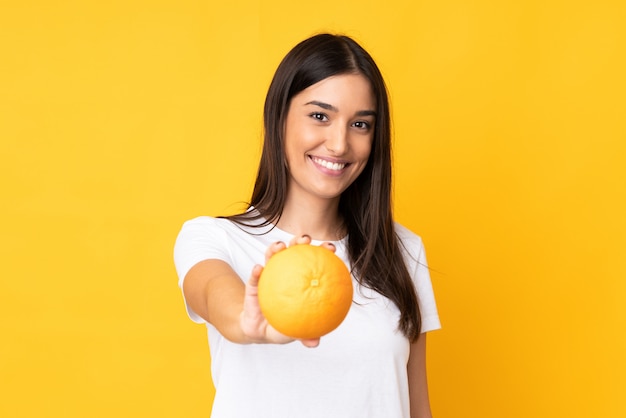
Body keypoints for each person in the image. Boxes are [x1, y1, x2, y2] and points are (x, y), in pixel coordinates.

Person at [174, 33, 441, 418]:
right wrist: (251, 322)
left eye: (361, 125)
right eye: (320, 116)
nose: (338, 144)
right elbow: (217, 295)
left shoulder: (402, 249)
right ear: (278, 117)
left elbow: (417, 407)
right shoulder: (213, 239)